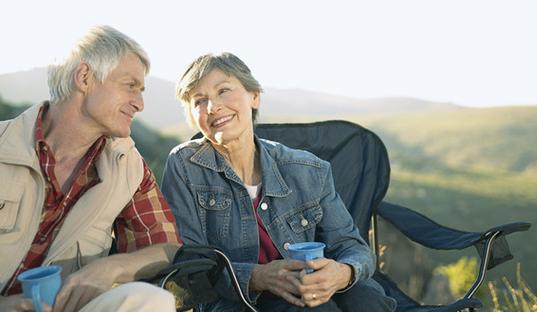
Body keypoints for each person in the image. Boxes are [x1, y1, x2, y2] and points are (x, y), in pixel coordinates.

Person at [161, 52, 397, 311]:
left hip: (315, 288)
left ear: (254, 96)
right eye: (199, 100)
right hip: (239, 301)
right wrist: (258, 277)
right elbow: (189, 266)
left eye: (223, 91)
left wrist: (342, 272)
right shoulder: (185, 165)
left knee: (367, 299)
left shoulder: (308, 169)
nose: (212, 107)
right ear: (193, 116)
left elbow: (353, 247)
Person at [0, 25, 181, 312]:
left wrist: (109, 269)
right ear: (85, 77)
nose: (140, 103)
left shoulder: (128, 167)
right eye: (130, 86)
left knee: (153, 301)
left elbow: (168, 248)